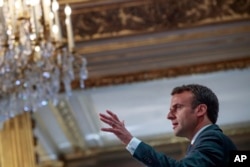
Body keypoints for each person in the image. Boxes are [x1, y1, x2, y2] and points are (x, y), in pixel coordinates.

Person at [99, 84, 237, 167]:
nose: (169, 116)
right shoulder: (206, 143)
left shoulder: (211, 138)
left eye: (177, 108)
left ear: (200, 110)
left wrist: (130, 141)